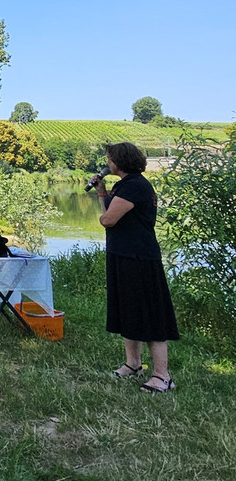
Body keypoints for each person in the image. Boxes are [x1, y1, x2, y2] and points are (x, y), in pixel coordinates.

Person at [94, 142, 179, 393]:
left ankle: (162, 376)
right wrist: (101, 192)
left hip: (139, 258)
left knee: (150, 313)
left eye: (110, 159)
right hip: (124, 255)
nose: (108, 163)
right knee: (128, 310)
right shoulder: (125, 185)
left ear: (120, 161)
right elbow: (110, 216)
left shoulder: (135, 186)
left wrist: (104, 216)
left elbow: (108, 219)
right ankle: (133, 365)